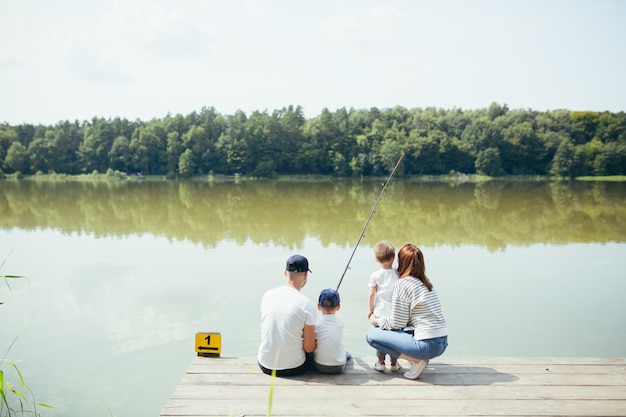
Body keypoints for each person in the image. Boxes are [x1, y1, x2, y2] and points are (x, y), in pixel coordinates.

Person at [366, 244, 448, 380]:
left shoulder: (403, 284)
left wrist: (376, 320)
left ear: (401, 262)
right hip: (442, 342)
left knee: (371, 336)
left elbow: (397, 323)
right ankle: (411, 359)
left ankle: (416, 360)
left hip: (427, 345)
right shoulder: (426, 283)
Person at [257, 254, 316, 376]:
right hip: (294, 368)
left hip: (265, 365)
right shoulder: (307, 304)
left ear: (285, 273)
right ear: (305, 275)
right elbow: (309, 348)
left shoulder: (267, 295)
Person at [367, 240, 400, 372]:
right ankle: (394, 364)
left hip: (379, 313)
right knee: (394, 338)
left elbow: (371, 294)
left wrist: (370, 310)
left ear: (376, 259)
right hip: (394, 314)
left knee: (380, 338)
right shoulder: (398, 274)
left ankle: (380, 362)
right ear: (393, 258)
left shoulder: (375, 275)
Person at [314, 288, 351, 374]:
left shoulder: (316, 326)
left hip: (319, 366)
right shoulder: (340, 324)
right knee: (345, 352)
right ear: (338, 307)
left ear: (318, 306)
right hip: (338, 367)